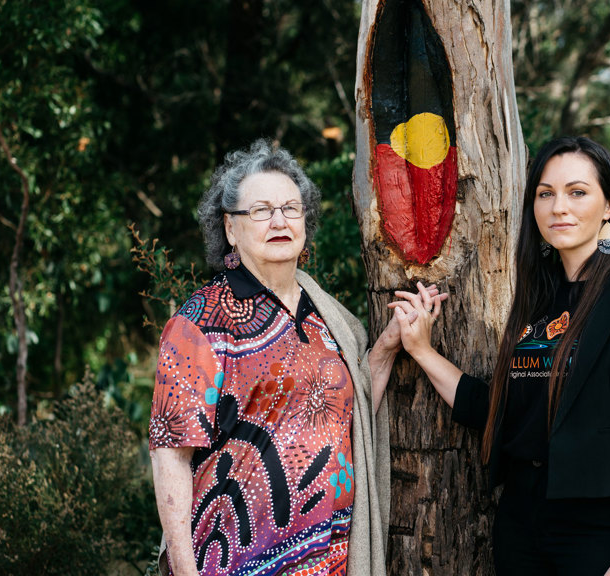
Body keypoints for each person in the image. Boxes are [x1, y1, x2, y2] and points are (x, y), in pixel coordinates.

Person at [390, 136, 610, 575]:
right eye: (545, 194)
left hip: (606, 529)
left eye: (577, 192)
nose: (559, 207)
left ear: (609, 205)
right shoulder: (539, 296)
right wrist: (420, 349)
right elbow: (503, 412)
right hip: (523, 522)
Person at [148, 139, 441, 576]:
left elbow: (352, 412)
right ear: (231, 228)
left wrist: (386, 346)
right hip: (232, 561)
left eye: (291, 208)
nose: (279, 221)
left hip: (328, 559)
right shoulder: (201, 323)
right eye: (261, 211)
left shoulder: (330, 318)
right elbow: (171, 455)